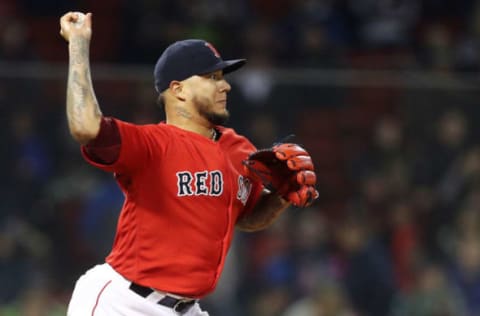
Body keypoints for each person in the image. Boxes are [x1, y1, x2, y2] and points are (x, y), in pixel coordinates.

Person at [59, 11, 318, 316]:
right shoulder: (151, 144)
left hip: (187, 309)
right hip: (122, 302)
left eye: (222, 78)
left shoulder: (239, 149)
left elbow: (247, 218)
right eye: (211, 78)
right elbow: (85, 127)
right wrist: (78, 45)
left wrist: (281, 196)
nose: (225, 87)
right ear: (178, 89)